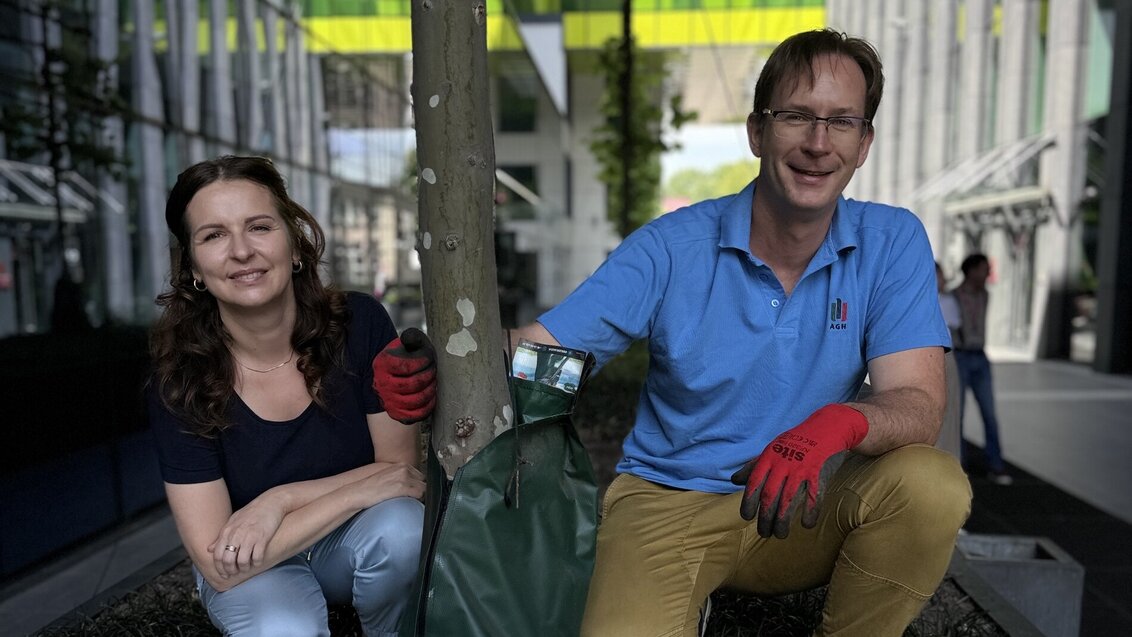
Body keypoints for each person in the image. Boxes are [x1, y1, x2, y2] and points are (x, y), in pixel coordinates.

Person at [509, 29, 972, 637]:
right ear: (757, 132)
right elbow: (550, 354)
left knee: (930, 485)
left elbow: (918, 404)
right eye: (796, 116)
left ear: (864, 144)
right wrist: (448, 366)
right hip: (667, 505)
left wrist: (834, 424)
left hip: (806, 500)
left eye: (841, 122)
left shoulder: (891, 241)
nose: (817, 142)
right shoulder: (673, 246)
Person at [148, 155, 437, 636]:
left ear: (294, 243)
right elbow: (221, 564)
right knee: (284, 628)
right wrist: (361, 487)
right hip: (254, 567)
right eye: (214, 235)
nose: (242, 251)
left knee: (403, 530)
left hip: (351, 539)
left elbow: (401, 477)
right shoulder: (179, 379)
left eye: (259, 227)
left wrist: (275, 502)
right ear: (194, 267)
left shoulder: (360, 325)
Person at [951, 253, 1012, 485]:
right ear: (972, 270)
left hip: (981, 357)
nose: (988, 273)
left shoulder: (985, 295)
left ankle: (995, 465)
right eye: (984, 269)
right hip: (961, 356)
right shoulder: (953, 297)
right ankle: (958, 465)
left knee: (990, 414)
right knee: (959, 413)